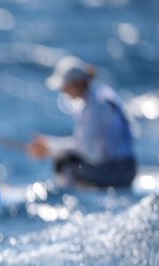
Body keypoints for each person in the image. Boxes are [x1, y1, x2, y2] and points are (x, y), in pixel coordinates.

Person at [28, 56, 137, 188]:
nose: (63, 91)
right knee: (70, 160)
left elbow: (83, 148)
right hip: (125, 167)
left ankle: (66, 199)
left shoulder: (96, 105)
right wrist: (49, 146)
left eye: (65, 86)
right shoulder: (100, 95)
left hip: (119, 171)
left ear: (77, 84)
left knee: (64, 163)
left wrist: (48, 148)